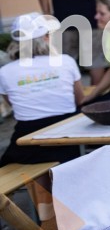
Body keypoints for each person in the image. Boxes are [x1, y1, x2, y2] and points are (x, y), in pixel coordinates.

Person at [0, 13, 83, 165]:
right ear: (46, 37)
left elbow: (15, 105)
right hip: (67, 135)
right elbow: (79, 99)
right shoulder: (66, 61)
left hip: (29, 138)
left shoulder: (5, 72)